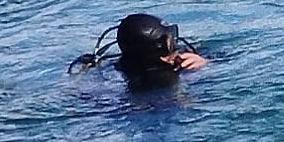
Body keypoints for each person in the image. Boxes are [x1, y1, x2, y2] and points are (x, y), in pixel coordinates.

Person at [69, 13, 209, 90]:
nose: (176, 45)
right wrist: (206, 65)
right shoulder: (167, 78)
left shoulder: (115, 66)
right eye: (171, 42)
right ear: (160, 53)